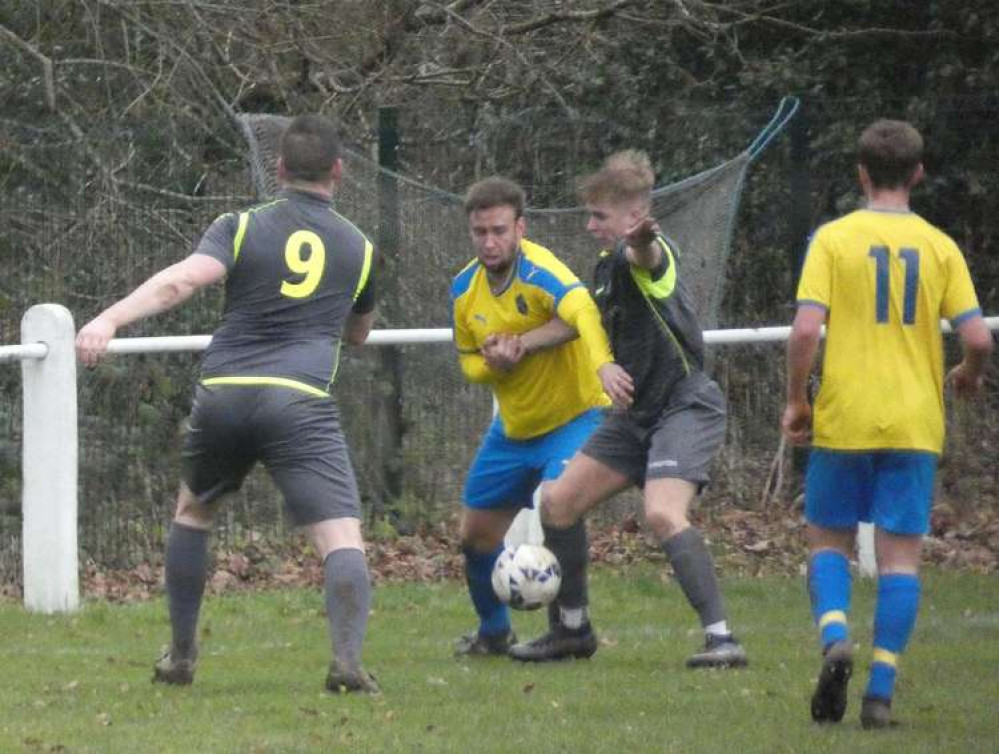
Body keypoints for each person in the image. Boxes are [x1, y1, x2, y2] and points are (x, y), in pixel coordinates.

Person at [75, 114, 382, 694]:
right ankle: (346, 662)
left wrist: (110, 317)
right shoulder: (361, 249)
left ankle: (182, 657)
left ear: (280, 169)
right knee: (340, 538)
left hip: (225, 394)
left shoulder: (239, 226)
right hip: (299, 401)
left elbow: (183, 281)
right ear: (339, 171)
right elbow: (358, 334)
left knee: (194, 513)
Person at [781, 119, 992, 728]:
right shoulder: (939, 246)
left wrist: (797, 400)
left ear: (862, 174)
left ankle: (835, 635)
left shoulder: (833, 239)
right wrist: (969, 373)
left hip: (846, 417)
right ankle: (878, 695)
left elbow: (803, 329)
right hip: (913, 421)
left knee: (828, 543)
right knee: (900, 561)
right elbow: (977, 335)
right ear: (919, 174)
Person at [511, 150, 748, 668]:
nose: (590, 224)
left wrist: (641, 240)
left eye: (600, 216)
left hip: (683, 407)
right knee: (557, 502)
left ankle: (723, 639)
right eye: (591, 214)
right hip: (635, 416)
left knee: (663, 513)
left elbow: (648, 257)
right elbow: (584, 324)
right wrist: (530, 345)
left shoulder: (647, 255)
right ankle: (571, 631)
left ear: (634, 217)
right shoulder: (603, 269)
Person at [449, 176, 624, 658]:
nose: (489, 242)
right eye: (480, 232)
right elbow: (467, 362)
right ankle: (493, 632)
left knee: (556, 502)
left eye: (499, 230)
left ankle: (572, 627)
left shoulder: (541, 271)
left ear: (520, 228)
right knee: (476, 535)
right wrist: (493, 364)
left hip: (575, 417)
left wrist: (594, 361)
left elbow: (583, 311)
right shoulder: (464, 289)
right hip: (514, 429)